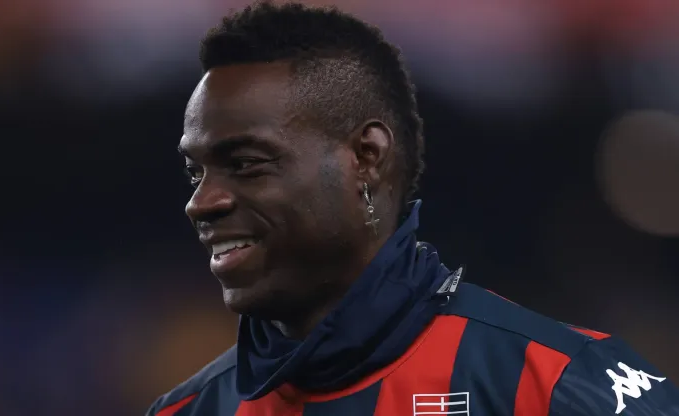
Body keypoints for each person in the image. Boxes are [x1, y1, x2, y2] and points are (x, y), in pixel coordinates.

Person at [146, 2, 679, 415]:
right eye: (197, 172)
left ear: (366, 158)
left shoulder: (559, 384)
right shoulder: (189, 409)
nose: (202, 202)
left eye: (246, 164)